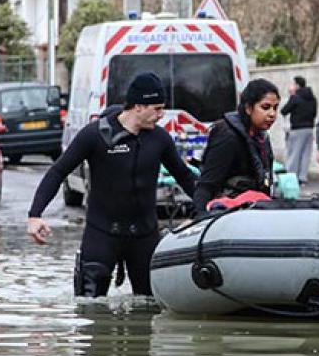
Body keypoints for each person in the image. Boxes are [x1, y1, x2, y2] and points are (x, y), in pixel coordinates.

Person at [26, 72, 197, 297]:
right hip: (102, 234)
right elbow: (58, 171)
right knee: (90, 309)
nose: (161, 115)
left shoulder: (160, 139)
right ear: (138, 106)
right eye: (156, 108)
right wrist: (35, 214)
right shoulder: (95, 135)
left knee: (149, 309)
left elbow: (185, 177)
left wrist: (208, 207)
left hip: (144, 236)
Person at [193, 78, 280, 215]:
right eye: (265, 107)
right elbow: (207, 183)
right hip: (227, 216)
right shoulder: (228, 135)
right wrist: (200, 217)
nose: (272, 114)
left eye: (275, 108)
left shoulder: (261, 137)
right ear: (248, 108)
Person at [280, 75, 317, 185]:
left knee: (294, 154)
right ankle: (302, 178)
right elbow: (314, 113)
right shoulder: (312, 98)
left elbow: (284, 111)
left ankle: (291, 177)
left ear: (297, 85)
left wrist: (291, 96)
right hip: (309, 128)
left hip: (297, 129)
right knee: (306, 154)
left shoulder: (295, 97)